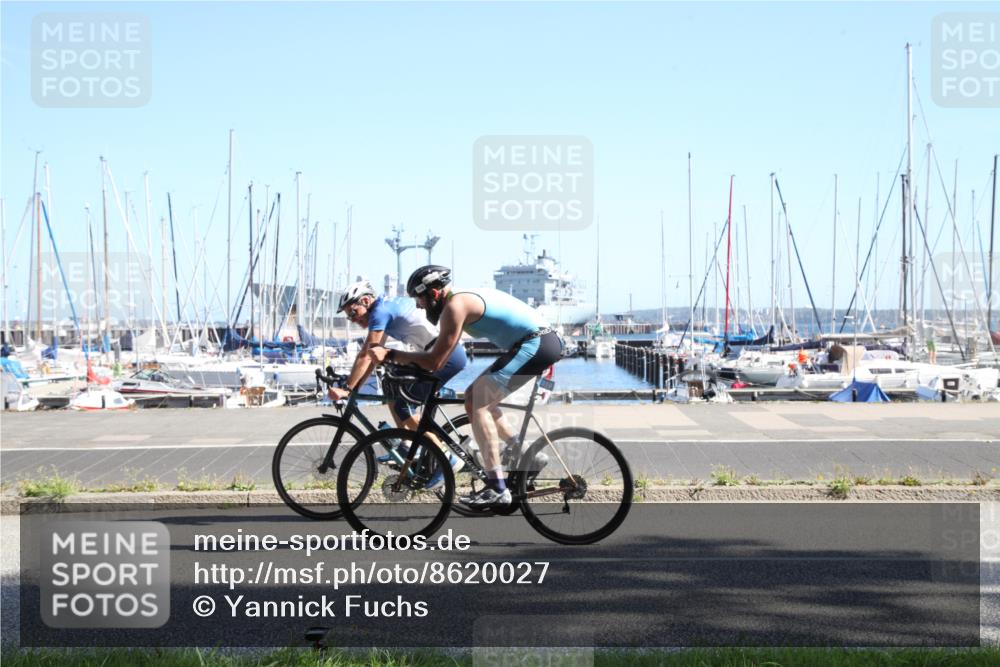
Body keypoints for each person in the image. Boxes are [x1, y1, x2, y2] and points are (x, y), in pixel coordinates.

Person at [367, 265, 562, 507]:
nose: (419, 306)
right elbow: (436, 355)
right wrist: (405, 364)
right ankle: (526, 456)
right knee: (475, 397)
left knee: (478, 401)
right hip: (538, 343)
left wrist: (391, 355)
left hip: (536, 344)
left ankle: (497, 488)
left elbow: (435, 361)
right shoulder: (459, 301)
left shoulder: (455, 306)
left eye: (420, 299)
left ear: (434, 293)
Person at [331, 280, 468, 481]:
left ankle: (446, 459)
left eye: (352, 312)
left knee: (404, 407)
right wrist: (353, 387)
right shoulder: (384, 309)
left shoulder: (380, 312)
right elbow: (374, 356)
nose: (352, 319)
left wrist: (348, 388)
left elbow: (365, 355)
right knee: (390, 383)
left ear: (366, 300)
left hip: (446, 356)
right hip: (437, 353)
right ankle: (407, 445)